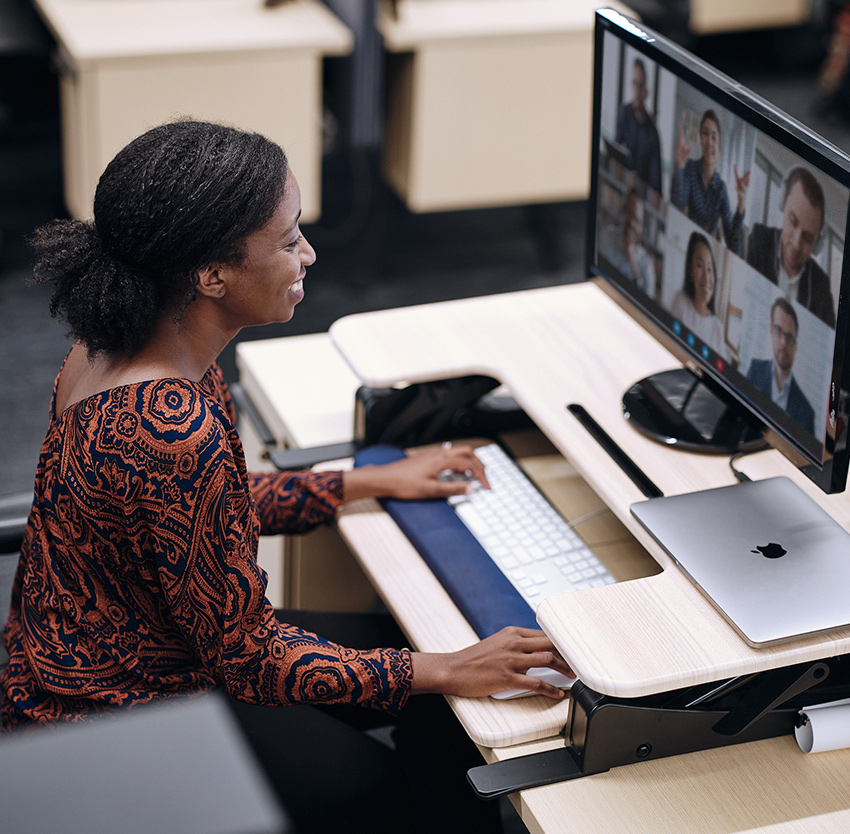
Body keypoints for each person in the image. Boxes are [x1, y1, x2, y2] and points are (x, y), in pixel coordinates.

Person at [0, 120, 574, 832]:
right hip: (117, 706)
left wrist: (361, 483)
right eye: (287, 237)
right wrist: (446, 668)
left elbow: (199, 514)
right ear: (210, 275)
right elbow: (247, 660)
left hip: (122, 641)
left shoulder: (119, 344)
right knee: (384, 787)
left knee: (413, 662)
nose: (307, 252)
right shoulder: (169, 428)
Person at [745, 165, 836, 328]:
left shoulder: (821, 286)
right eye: (793, 222)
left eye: (808, 238)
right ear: (782, 204)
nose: (796, 244)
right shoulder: (759, 241)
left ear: (817, 244)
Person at [671, 109, 749, 255]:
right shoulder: (690, 168)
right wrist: (680, 167)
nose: (709, 142)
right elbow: (677, 205)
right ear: (700, 138)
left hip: (707, 252)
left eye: (714, 137)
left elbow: (734, 248)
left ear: (719, 148)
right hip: (687, 243)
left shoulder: (721, 188)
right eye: (705, 134)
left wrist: (741, 204)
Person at [746, 297, 815, 434]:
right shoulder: (755, 370)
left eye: (789, 337)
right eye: (778, 331)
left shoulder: (806, 412)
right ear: (771, 331)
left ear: (795, 346)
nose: (783, 343)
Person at [671, 230, 725, 350]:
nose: (706, 278)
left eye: (710, 269)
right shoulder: (681, 303)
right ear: (691, 271)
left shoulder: (717, 328)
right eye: (700, 266)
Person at [615, 58, 662, 193]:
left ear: (646, 92)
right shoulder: (624, 111)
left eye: (640, 85)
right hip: (621, 184)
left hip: (640, 195)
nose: (636, 90)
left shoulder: (653, 134)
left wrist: (640, 181)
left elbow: (656, 185)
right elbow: (617, 144)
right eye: (634, 84)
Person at [598, 188, 657, 296]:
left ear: (642, 227)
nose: (631, 223)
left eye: (637, 220)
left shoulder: (646, 266)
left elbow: (646, 302)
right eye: (629, 212)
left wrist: (633, 262)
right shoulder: (606, 236)